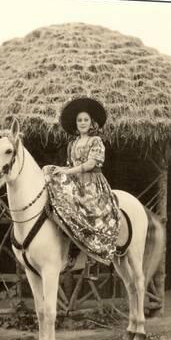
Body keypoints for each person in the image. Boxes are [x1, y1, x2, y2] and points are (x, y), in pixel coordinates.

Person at [43, 97, 121, 265]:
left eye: (86, 120)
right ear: (76, 124)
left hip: (91, 182)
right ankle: (67, 241)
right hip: (75, 181)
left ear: (92, 122)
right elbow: (69, 164)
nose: (83, 123)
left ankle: (91, 247)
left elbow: (91, 164)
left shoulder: (96, 141)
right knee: (49, 172)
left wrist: (68, 171)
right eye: (80, 120)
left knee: (84, 208)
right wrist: (62, 170)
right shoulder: (73, 143)